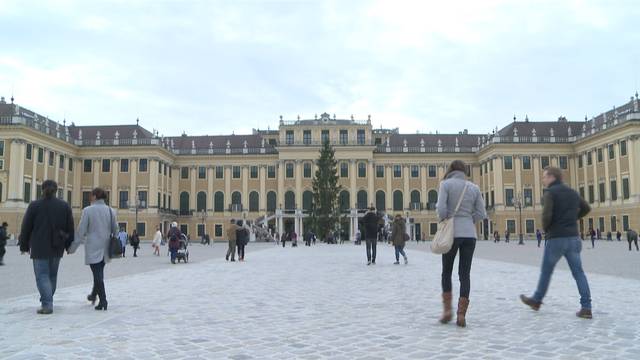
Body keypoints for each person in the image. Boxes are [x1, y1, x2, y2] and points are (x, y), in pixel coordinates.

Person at [520, 167, 593, 319]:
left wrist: (547, 229)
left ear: (552, 177)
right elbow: (586, 208)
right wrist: (574, 218)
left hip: (556, 238)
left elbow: (547, 215)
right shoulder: (572, 192)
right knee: (579, 273)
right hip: (573, 238)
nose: (543, 180)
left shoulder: (550, 193)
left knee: (546, 271)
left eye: (545, 177)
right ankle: (586, 307)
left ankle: (537, 300)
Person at [436, 160, 486, 327]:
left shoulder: (445, 184)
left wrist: (447, 220)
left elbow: (441, 209)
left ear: (450, 170)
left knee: (446, 272)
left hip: (451, 234)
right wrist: (468, 220)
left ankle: (447, 311)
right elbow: (481, 213)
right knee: (465, 274)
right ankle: (461, 314)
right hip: (469, 235)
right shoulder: (474, 187)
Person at [19, 180, 75, 314]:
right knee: (52, 276)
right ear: (57, 190)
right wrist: (68, 245)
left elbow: (26, 227)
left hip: (39, 246)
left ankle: (47, 303)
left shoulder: (34, 205)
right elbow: (70, 228)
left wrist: (24, 245)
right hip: (57, 246)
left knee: (42, 276)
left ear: (41, 189)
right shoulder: (64, 206)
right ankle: (48, 299)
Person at [70, 187, 117, 311]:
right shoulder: (111, 211)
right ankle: (93, 295)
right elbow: (116, 230)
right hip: (106, 247)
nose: (90, 197)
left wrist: (72, 247)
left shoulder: (88, 210)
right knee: (99, 273)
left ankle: (103, 300)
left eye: (91, 195)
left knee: (97, 275)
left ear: (95, 196)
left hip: (93, 247)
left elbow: (81, 231)